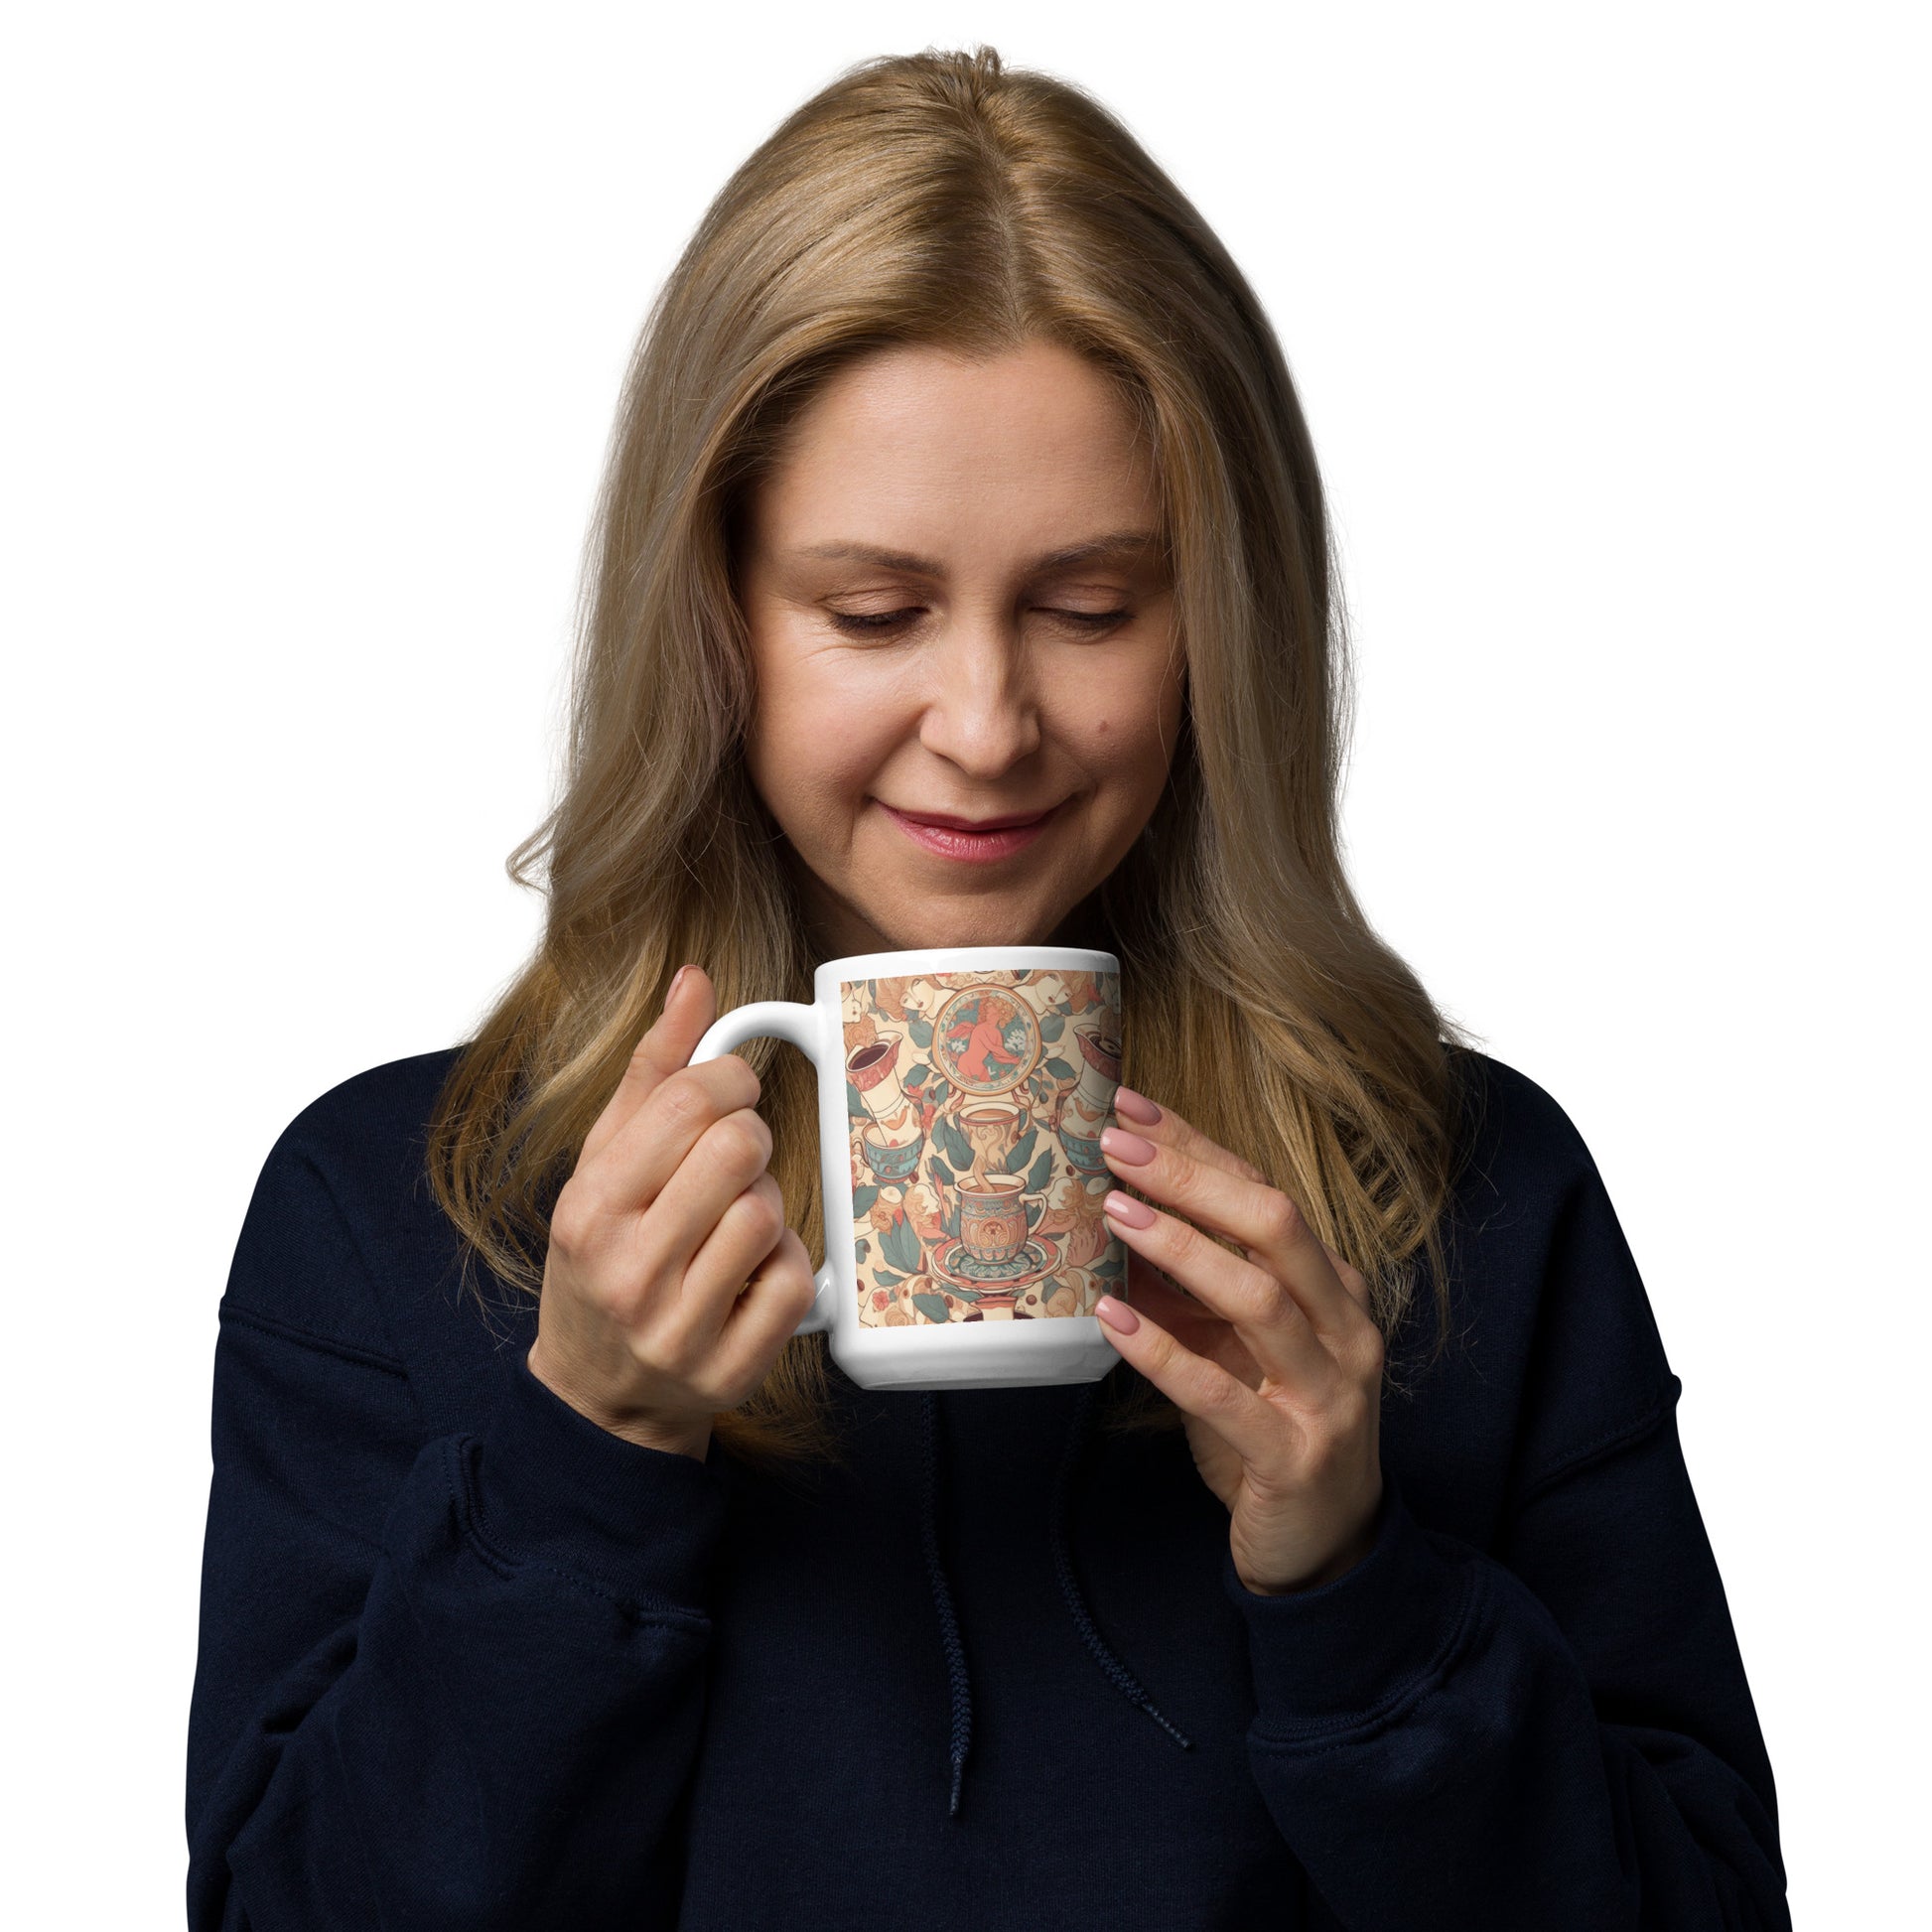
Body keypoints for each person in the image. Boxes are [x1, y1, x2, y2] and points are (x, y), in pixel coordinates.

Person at [185, 45, 1790, 1932]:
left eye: (1093, 603)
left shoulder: (1469, 1198)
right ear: (712, 619)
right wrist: (582, 1462)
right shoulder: (400, 1211)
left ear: (1222, 620)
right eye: (872, 613)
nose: (987, 725)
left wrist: (1358, 1577)